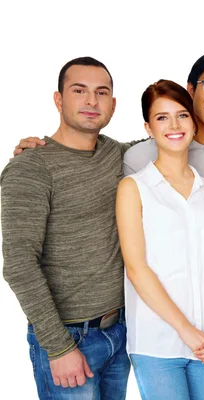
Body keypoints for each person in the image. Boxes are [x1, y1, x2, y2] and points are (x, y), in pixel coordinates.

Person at [122, 50, 204, 400]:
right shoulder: (134, 183)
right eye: (162, 118)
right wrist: (186, 331)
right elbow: (136, 269)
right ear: (148, 128)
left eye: (181, 116)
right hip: (158, 339)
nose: (174, 125)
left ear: (192, 122)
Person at [1, 57, 130, 399]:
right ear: (59, 100)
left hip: (120, 333)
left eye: (101, 93)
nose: (91, 101)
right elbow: (18, 264)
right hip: (69, 339)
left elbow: (169, 140)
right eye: (79, 91)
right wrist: (58, 348)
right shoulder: (31, 167)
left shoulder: (116, 155)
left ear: (113, 105)